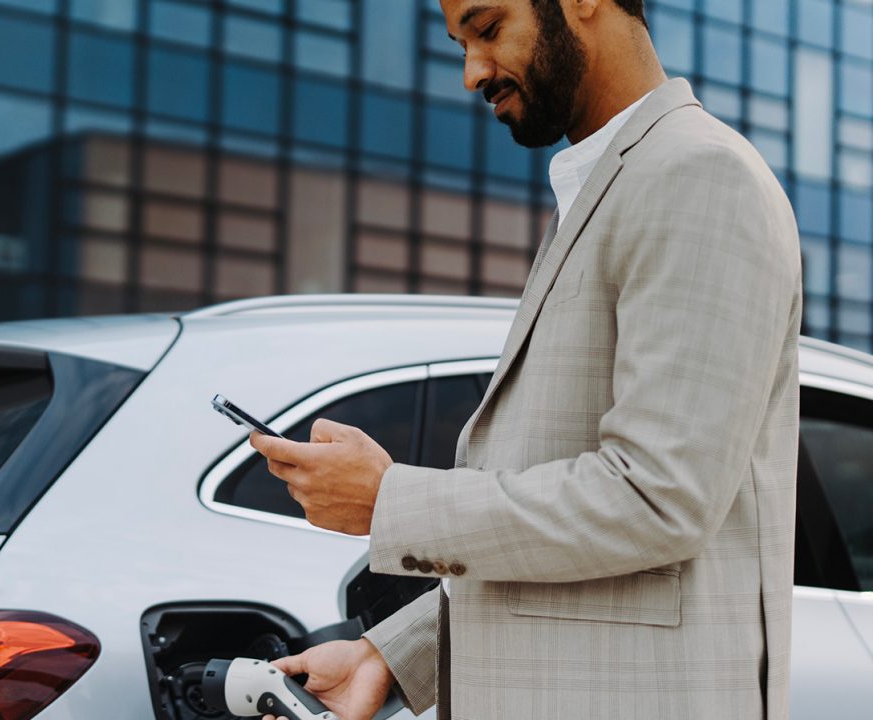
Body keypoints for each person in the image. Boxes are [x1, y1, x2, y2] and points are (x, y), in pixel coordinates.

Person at [248, 1, 802, 719]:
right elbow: (570, 537)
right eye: (461, 45)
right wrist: (390, 656)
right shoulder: (609, 188)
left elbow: (657, 499)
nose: (471, 72)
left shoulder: (698, 176)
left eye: (486, 29)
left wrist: (391, 502)